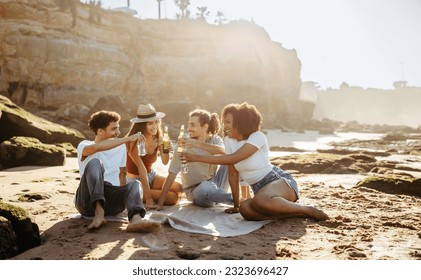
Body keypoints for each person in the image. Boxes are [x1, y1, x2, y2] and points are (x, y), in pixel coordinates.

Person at [182, 102, 329, 221]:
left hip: (278, 182)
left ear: (240, 122)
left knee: (259, 201)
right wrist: (235, 204)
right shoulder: (229, 141)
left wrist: (196, 158)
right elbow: (232, 174)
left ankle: (308, 210)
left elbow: (234, 158)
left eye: (228, 122)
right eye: (223, 122)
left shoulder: (257, 137)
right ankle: (292, 214)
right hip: (261, 193)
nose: (224, 126)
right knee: (245, 209)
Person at [75, 110, 160, 232]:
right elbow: (97, 147)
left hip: (111, 202)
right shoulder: (84, 145)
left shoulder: (120, 147)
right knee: (95, 163)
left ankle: (135, 220)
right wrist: (128, 139)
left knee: (135, 184)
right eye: (114, 129)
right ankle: (99, 211)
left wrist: (126, 199)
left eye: (118, 128)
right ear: (100, 131)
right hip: (87, 202)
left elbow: (122, 175)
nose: (118, 132)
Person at [156, 108, 233, 210]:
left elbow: (225, 151)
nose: (188, 128)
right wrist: (160, 203)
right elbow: (171, 174)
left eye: (192, 125)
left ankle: (219, 196)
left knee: (233, 160)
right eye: (188, 124)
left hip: (216, 183)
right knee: (205, 188)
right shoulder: (183, 145)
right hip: (196, 191)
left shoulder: (214, 139)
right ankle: (236, 200)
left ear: (205, 127)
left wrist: (198, 144)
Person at [125, 104, 182, 208]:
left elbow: (165, 162)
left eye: (156, 122)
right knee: (173, 198)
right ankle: (143, 194)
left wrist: (165, 149)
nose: (154, 126)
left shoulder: (158, 138)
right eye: (150, 123)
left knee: (179, 188)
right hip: (136, 181)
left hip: (151, 176)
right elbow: (141, 169)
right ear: (142, 125)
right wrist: (149, 197)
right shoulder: (133, 141)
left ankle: (153, 193)